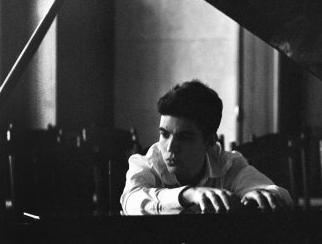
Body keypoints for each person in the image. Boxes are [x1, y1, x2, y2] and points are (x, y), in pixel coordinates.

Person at [120, 80, 292, 215]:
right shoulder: (147, 163)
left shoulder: (227, 163)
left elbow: (279, 194)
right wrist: (190, 194)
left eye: (184, 137)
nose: (171, 147)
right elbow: (131, 201)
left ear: (210, 141)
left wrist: (259, 194)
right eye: (164, 134)